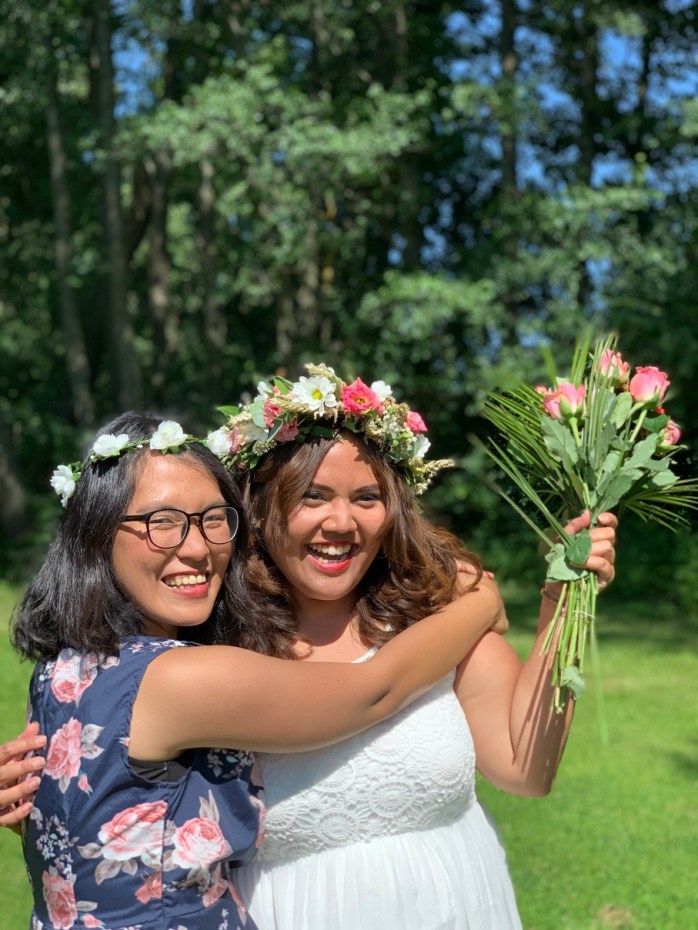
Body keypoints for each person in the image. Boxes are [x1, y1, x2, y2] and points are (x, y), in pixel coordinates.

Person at [7, 410, 507, 930]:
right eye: (162, 523)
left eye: (213, 519)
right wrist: (479, 604)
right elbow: (374, 691)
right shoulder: (179, 677)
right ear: (96, 532)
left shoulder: (61, 671)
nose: (197, 548)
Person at [202, 364, 618, 929]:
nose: (341, 522)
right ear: (257, 505)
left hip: (458, 903)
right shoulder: (213, 638)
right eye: (312, 496)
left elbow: (526, 769)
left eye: (367, 497)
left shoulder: (438, 612)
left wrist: (561, 603)